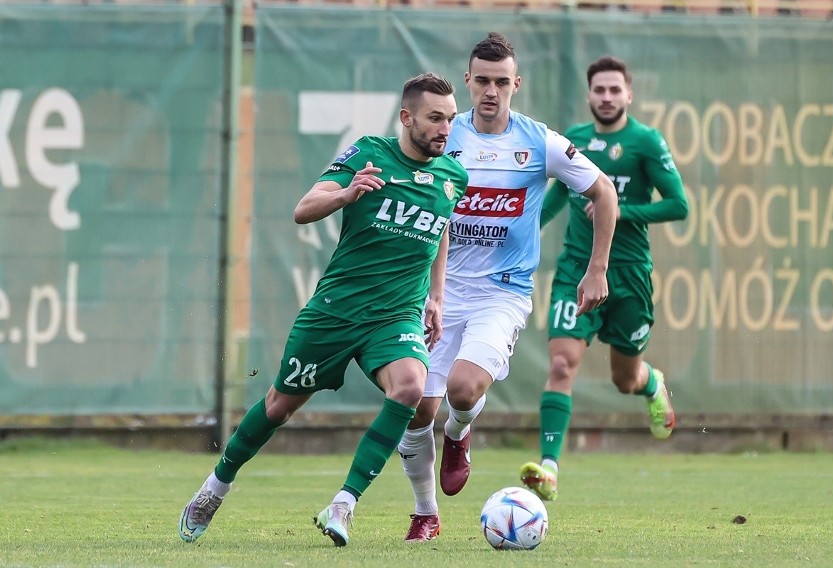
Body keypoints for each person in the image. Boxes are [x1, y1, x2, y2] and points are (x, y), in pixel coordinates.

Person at [177, 72, 468, 547]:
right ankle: (216, 486)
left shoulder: (453, 175)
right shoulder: (369, 154)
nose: (445, 128)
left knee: (411, 386)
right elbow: (303, 208)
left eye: (451, 119)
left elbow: (442, 229)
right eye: (435, 118)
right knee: (278, 406)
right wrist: (347, 194)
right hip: (335, 312)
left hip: (395, 316)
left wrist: (437, 295)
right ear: (407, 116)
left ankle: (344, 503)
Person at [397, 33, 618, 542]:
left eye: (501, 82)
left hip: (503, 291)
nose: (491, 91)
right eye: (482, 81)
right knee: (416, 408)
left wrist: (597, 267)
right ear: (468, 81)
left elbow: (603, 191)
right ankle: (425, 512)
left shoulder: (539, 142)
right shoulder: (443, 138)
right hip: (437, 289)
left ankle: (459, 432)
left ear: (516, 84)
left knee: (462, 389)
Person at [520, 56, 689, 502]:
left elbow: (679, 205)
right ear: (589, 94)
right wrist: (522, 229)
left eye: (616, 90)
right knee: (561, 364)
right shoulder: (574, 141)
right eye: (600, 90)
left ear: (629, 94)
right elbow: (557, 197)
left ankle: (651, 383)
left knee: (624, 379)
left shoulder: (646, 143)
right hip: (577, 267)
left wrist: (618, 208)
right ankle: (550, 468)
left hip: (629, 275)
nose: (608, 97)